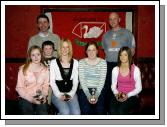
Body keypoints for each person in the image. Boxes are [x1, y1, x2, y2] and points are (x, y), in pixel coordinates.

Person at [101, 12, 136, 113]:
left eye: (115, 18)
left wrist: (126, 64)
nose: (112, 21)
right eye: (110, 19)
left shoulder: (127, 33)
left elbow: (132, 51)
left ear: (119, 19)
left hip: (122, 65)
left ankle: (121, 109)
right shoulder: (105, 35)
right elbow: (105, 51)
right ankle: (110, 112)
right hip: (109, 65)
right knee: (109, 88)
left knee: (122, 87)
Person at [50, 38, 80, 115]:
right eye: (63, 47)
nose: (65, 49)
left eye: (67, 47)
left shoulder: (75, 62)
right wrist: (59, 95)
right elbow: (52, 82)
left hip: (71, 93)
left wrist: (71, 94)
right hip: (57, 93)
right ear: (60, 48)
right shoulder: (53, 63)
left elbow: (76, 81)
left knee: (76, 113)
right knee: (65, 112)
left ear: (70, 49)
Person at [16, 45, 49, 115]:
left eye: (38, 54)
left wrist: (44, 95)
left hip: (39, 95)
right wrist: (31, 99)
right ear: (30, 56)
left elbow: (46, 86)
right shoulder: (23, 69)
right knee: (28, 113)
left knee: (43, 113)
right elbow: (19, 88)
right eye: (33, 55)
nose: (36, 57)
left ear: (41, 55)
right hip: (25, 96)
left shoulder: (45, 69)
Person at [110, 46, 142, 114]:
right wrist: (117, 94)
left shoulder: (136, 69)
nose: (122, 57)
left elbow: (139, 88)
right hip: (119, 94)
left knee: (121, 110)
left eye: (125, 55)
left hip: (132, 95)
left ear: (129, 56)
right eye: (121, 55)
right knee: (112, 110)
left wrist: (128, 95)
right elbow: (113, 86)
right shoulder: (115, 69)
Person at [78, 41, 107, 115]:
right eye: (89, 50)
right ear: (86, 51)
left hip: (99, 89)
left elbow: (102, 81)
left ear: (97, 51)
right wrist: (88, 95)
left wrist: (96, 95)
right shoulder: (81, 62)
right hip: (85, 89)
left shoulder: (103, 62)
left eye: (93, 50)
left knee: (100, 110)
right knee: (86, 110)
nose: (91, 52)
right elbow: (82, 81)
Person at [42, 40, 56, 108]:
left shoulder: (56, 60)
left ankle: (48, 107)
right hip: (43, 83)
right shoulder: (40, 60)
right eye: (46, 49)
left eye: (50, 48)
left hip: (52, 84)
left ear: (53, 50)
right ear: (42, 50)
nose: (48, 50)